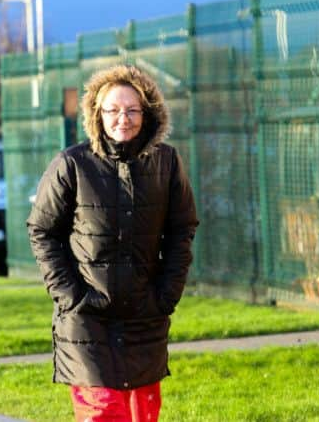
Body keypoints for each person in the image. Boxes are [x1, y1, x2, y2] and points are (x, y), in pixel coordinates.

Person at [27, 64, 198, 422]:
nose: (123, 118)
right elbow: (43, 231)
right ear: (97, 114)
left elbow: (183, 229)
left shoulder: (167, 163)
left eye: (133, 109)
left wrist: (167, 293)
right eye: (113, 110)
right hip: (87, 318)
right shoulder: (71, 165)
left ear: (147, 113)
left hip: (144, 315)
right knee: (103, 411)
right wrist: (71, 296)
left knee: (142, 414)